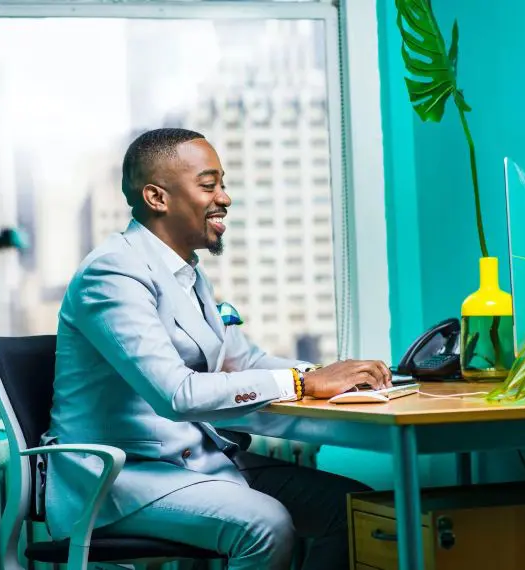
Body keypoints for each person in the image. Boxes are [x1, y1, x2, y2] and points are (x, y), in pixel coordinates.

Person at [42, 128, 392, 569]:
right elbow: (176, 395)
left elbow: (245, 361)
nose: (224, 198)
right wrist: (303, 383)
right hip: (123, 480)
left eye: (222, 184)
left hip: (198, 462)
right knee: (266, 524)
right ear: (157, 197)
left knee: (354, 507)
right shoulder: (112, 273)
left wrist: (333, 375)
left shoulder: (186, 273)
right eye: (209, 185)